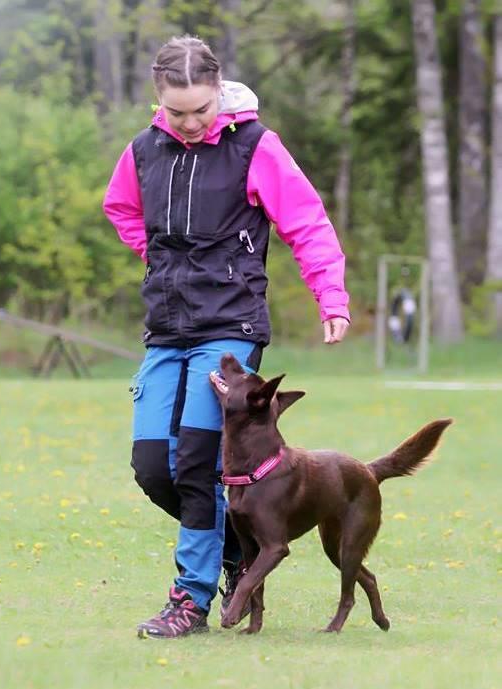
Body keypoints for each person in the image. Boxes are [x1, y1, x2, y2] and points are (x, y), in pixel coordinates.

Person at [103, 35, 350, 639]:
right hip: (166, 329)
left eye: (201, 110)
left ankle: (188, 600)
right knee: (153, 467)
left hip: (229, 328)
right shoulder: (143, 149)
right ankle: (239, 549)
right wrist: (159, 261)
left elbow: (306, 222)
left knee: (193, 460)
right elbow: (122, 210)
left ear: (220, 93)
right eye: (176, 111)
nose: (189, 123)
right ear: (158, 99)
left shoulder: (255, 147)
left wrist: (332, 296)